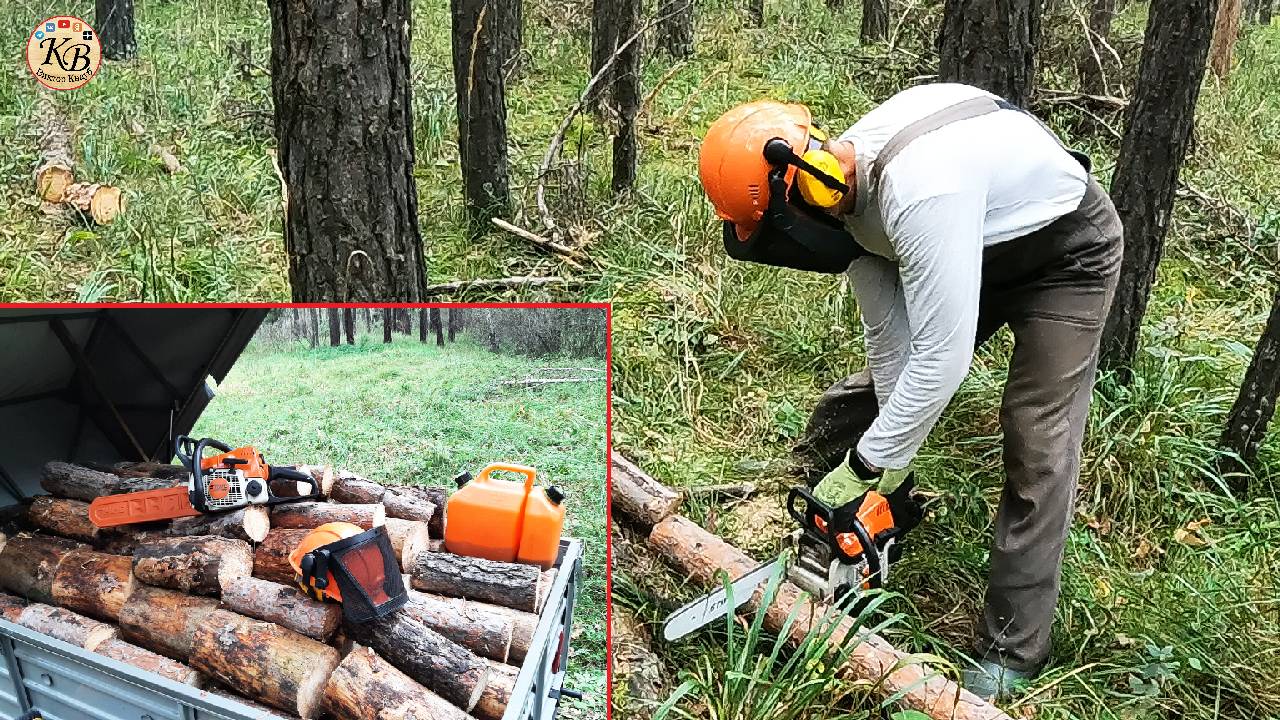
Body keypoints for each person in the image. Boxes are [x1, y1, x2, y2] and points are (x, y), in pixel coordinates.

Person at [696, 83, 1123, 699]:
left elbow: (941, 362)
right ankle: (825, 516)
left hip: (1061, 254)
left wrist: (867, 463)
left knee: (1038, 436)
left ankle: (1011, 648)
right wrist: (882, 479)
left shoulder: (921, 192)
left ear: (795, 205)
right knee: (879, 399)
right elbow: (893, 352)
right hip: (972, 236)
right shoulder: (849, 203)